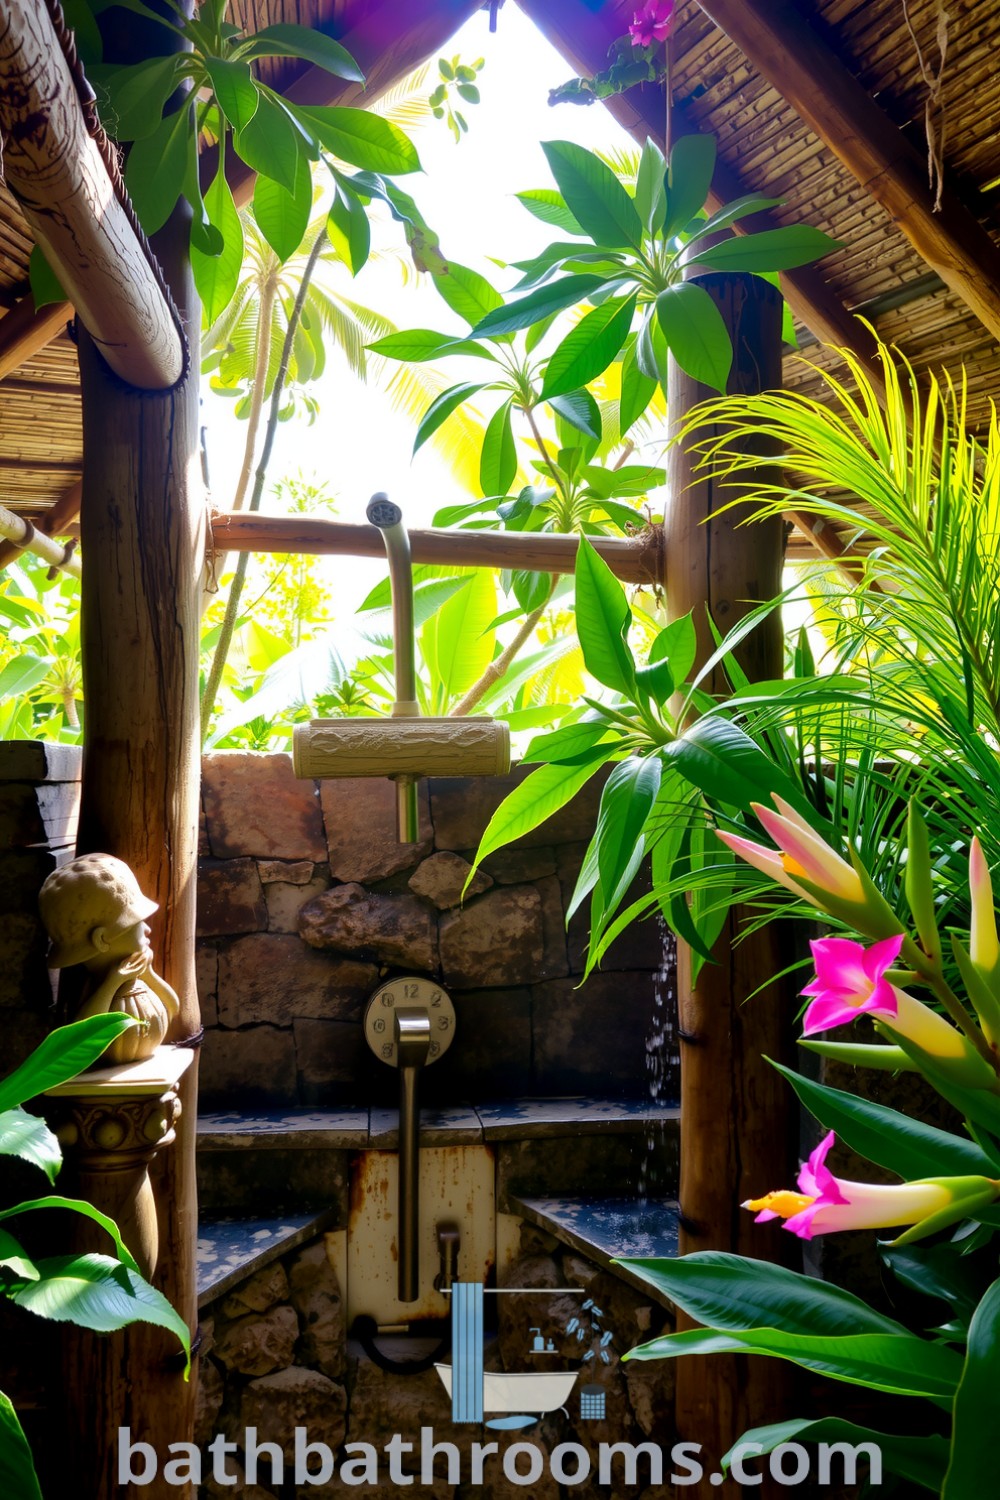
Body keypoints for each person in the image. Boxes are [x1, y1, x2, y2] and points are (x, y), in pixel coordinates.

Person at [39, 853, 179, 1063]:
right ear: (102, 939)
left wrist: (148, 974)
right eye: (136, 924)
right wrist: (113, 982)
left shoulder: (138, 971)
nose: (148, 929)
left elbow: (173, 1008)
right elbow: (87, 1036)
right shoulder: (93, 986)